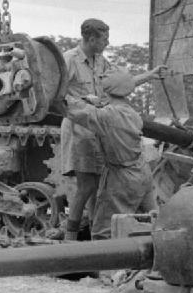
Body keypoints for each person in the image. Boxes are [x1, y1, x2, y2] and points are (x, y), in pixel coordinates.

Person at [60, 67, 155, 240]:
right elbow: (108, 111)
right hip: (143, 173)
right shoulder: (132, 113)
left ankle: (107, 267)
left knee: (104, 233)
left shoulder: (106, 116)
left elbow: (70, 108)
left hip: (122, 179)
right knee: (154, 223)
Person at [58, 19, 112, 241]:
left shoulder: (101, 61)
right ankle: (70, 239)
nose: (107, 43)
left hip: (95, 128)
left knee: (98, 185)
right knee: (86, 185)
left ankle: (91, 236)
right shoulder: (69, 60)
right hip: (78, 127)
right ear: (91, 39)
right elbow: (57, 96)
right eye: (105, 38)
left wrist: (148, 75)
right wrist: (83, 99)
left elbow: (118, 83)